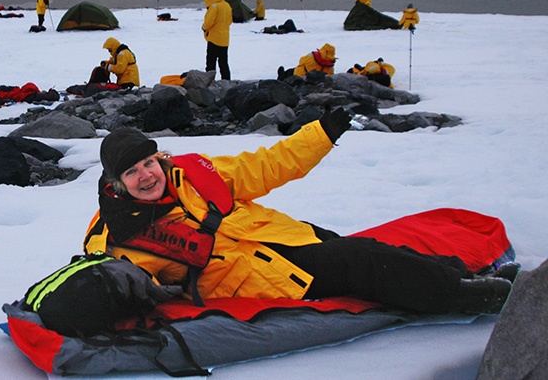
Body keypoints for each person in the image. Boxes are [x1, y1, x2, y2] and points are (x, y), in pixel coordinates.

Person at [84, 123, 514, 315]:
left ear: (159, 158)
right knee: (359, 259)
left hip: (281, 239)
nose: (145, 176)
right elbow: (127, 282)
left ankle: (460, 277)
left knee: (367, 251)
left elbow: (269, 164)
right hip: (258, 277)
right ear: (117, 184)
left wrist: (321, 133)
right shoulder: (120, 235)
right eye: (131, 172)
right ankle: (466, 298)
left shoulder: (192, 174)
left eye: (147, 163)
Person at [201, 0, 233, 80]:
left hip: (214, 38)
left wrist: (204, 27)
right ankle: (226, 80)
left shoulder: (215, 6)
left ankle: (209, 80)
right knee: (223, 62)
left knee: (211, 61)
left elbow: (209, 21)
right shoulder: (227, 5)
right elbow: (230, 21)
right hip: (225, 39)